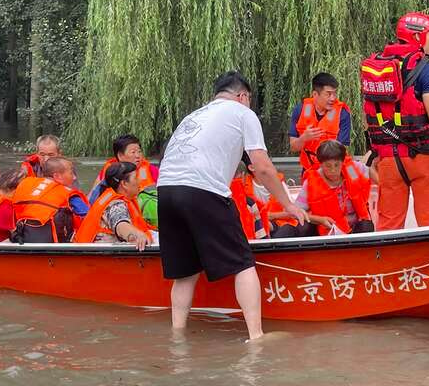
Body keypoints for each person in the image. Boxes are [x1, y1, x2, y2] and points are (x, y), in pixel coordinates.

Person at [157, 70, 307, 340]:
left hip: (166, 191)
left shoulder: (193, 116)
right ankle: (256, 336)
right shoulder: (242, 113)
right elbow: (262, 166)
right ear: (243, 96)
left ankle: (177, 336)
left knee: (185, 272)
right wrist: (290, 205)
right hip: (203, 190)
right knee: (243, 263)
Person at [361, 12, 429, 231]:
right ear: (418, 36)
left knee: (389, 223)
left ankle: (390, 254)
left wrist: (375, 150)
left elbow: (368, 115)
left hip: (389, 159)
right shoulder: (426, 70)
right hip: (423, 157)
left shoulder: (377, 69)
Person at [294, 140, 375, 236]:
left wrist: (384, 186)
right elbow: (297, 212)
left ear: (342, 162)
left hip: (354, 227)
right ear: (321, 164)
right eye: (328, 166)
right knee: (303, 226)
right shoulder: (311, 183)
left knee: (367, 225)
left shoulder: (351, 170)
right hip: (327, 230)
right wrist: (320, 220)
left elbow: (369, 171)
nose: (333, 170)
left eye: (337, 165)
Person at [73, 162, 154, 249]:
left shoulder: (118, 198)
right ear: (124, 184)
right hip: (100, 255)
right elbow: (121, 224)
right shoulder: (116, 205)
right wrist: (136, 235)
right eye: (136, 177)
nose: (140, 180)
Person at [11, 157, 91, 243]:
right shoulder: (68, 194)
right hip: (53, 245)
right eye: (71, 173)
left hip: (21, 239)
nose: (74, 178)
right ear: (57, 176)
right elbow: (89, 217)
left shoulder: (25, 184)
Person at [289, 73, 351, 175]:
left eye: (334, 93)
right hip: (308, 169)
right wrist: (303, 138)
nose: (333, 98)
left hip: (333, 170)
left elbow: (341, 151)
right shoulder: (300, 110)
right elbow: (293, 147)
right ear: (315, 94)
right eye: (328, 94)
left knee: (355, 176)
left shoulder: (342, 113)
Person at [90, 134, 159, 204]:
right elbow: (92, 197)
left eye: (139, 151)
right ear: (120, 155)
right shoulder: (110, 172)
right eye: (133, 152)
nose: (138, 156)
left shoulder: (151, 170)